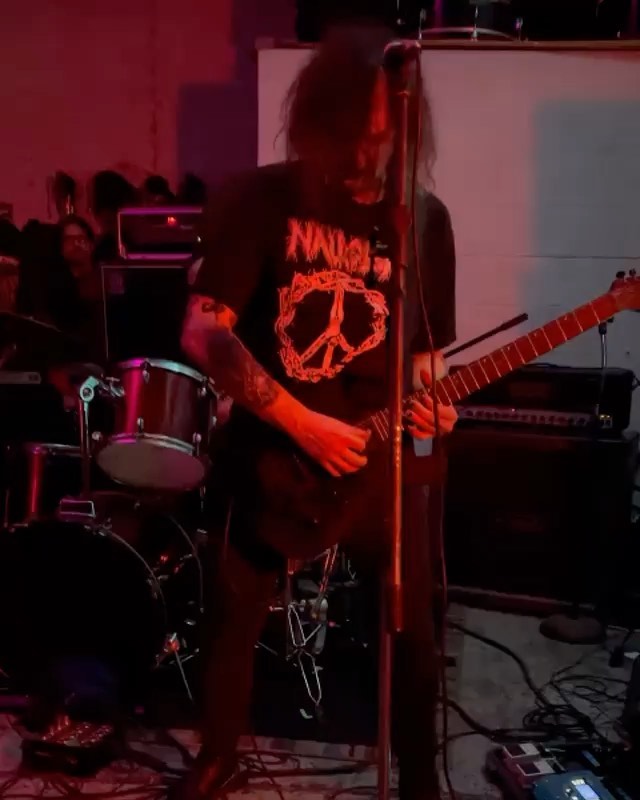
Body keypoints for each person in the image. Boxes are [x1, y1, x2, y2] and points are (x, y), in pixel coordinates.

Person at [179, 22, 458, 800]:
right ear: (319, 121)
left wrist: (439, 407)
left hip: (383, 466)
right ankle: (218, 756)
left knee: (412, 628)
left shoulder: (426, 220)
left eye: (385, 135)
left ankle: (420, 780)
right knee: (235, 612)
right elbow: (203, 332)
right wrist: (301, 423)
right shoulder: (262, 199)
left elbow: (427, 361)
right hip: (276, 456)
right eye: (355, 134)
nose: (370, 153)